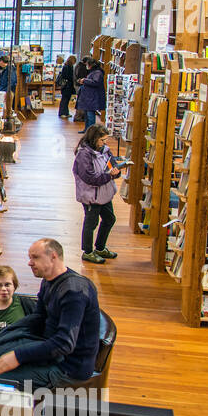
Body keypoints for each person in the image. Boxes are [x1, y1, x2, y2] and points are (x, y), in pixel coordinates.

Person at [0, 238, 101, 387]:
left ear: (53, 256)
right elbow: (39, 317)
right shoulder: (49, 281)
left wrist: (18, 356)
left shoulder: (74, 292)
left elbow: (64, 344)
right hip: (51, 351)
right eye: (30, 258)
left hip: (68, 368)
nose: (30, 263)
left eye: (35, 257)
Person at [74, 125, 123, 264]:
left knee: (109, 219)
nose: (105, 143)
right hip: (91, 196)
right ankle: (88, 252)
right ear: (94, 139)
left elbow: (112, 166)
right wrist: (109, 176)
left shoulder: (105, 151)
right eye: (102, 140)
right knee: (91, 223)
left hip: (105, 194)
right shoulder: (83, 155)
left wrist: (116, 172)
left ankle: (100, 247)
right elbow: (90, 178)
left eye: (106, 139)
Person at [76, 59, 105, 131]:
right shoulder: (94, 72)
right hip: (89, 97)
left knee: (90, 115)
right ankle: (87, 129)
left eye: (87, 64)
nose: (86, 66)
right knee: (87, 115)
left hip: (92, 97)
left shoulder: (97, 72)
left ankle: (91, 131)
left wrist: (84, 80)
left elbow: (95, 82)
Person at [56, 54, 77, 119]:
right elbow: (67, 76)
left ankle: (65, 112)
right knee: (64, 100)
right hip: (67, 86)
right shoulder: (68, 67)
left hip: (67, 86)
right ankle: (62, 113)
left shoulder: (66, 66)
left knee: (66, 99)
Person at [72, 56, 90, 122]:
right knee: (81, 101)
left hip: (78, 84)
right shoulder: (82, 68)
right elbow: (82, 77)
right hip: (81, 85)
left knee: (80, 100)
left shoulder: (78, 65)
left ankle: (79, 116)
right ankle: (79, 116)